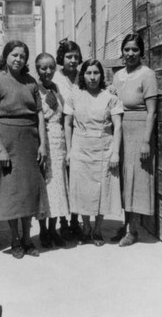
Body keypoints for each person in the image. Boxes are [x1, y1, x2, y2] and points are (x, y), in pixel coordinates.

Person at [0, 40, 48, 259]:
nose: (18, 59)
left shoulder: (31, 82)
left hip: (30, 142)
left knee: (28, 191)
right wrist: (1, 149)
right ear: (6, 56)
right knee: (11, 192)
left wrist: (43, 144)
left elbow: (39, 114)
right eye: (14, 55)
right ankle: (14, 239)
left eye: (22, 56)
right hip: (7, 142)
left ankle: (28, 238)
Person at [64, 59, 124, 246]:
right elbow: (67, 124)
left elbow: (118, 126)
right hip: (80, 148)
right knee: (82, 190)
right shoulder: (74, 96)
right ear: (83, 75)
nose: (92, 77)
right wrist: (69, 151)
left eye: (96, 73)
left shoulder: (110, 97)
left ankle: (97, 230)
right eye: (88, 73)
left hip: (103, 148)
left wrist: (115, 153)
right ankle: (86, 228)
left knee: (102, 189)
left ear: (102, 75)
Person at [111, 33, 157, 246]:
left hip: (139, 129)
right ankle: (125, 224)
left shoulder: (147, 75)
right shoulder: (118, 75)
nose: (130, 54)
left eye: (135, 50)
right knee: (123, 178)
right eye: (127, 49)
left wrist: (146, 141)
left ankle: (133, 230)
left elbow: (152, 112)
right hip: (120, 130)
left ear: (141, 52)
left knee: (136, 180)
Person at [35, 53, 70, 248]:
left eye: (51, 67)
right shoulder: (34, 89)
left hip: (58, 141)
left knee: (58, 186)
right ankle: (43, 231)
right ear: (37, 69)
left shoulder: (56, 89)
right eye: (43, 68)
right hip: (43, 140)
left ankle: (54, 229)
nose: (48, 71)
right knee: (46, 186)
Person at [52, 39, 84, 241]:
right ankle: (63, 222)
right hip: (61, 133)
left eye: (76, 57)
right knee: (63, 178)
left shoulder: (84, 76)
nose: (73, 60)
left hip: (82, 132)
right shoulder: (55, 78)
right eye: (69, 57)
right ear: (61, 59)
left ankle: (75, 221)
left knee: (78, 178)